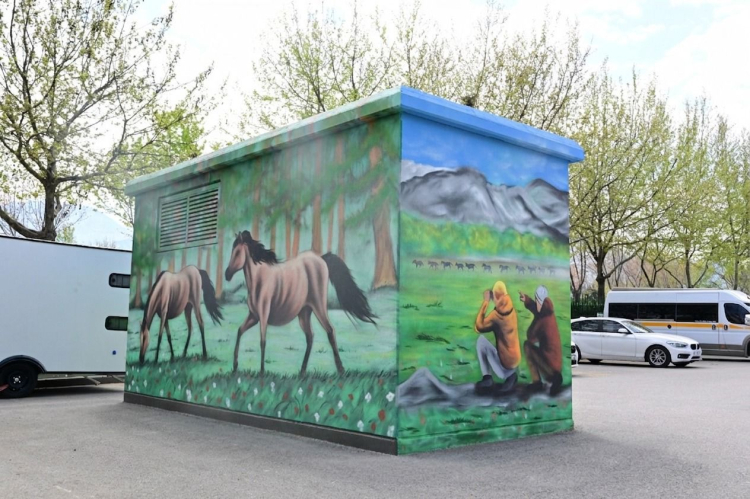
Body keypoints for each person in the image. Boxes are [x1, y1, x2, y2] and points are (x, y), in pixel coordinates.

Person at [474, 281, 521, 394]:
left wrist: (486, 301)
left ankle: (488, 378)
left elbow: (478, 327)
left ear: (496, 296)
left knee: (481, 341)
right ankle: (511, 375)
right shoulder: (511, 310)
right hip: (514, 362)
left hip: (504, 368)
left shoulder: (496, 316)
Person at [519, 285, 564, 396]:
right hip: (554, 360)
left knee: (527, 346)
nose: (536, 303)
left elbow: (530, 336)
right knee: (530, 346)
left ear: (541, 302)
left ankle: (538, 382)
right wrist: (527, 300)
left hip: (550, 364)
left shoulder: (543, 320)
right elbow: (537, 309)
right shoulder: (547, 311)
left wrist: (535, 321)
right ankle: (552, 377)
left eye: (537, 300)